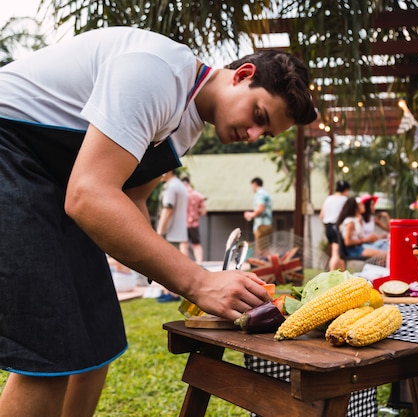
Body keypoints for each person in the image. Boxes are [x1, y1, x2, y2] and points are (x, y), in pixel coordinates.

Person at [0, 26, 317, 417]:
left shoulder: (187, 123)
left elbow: (131, 200)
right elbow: (88, 196)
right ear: (242, 74)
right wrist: (197, 282)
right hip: (10, 153)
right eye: (258, 116)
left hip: (56, 183)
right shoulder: (158, 73)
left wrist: (193, 279)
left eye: (264, 133)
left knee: (98, 342)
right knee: (51, 351)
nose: (253, 134)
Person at [154, 169, 188, 302]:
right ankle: (171, 291)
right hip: (178, 231)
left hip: (171, 231)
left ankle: (171, 292)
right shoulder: (179, 184)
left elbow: (168, 209)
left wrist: (159, 232)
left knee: (168, 264)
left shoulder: (171, 186)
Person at [320, 180, 351, 271]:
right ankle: (334, 275)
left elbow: (321, 215)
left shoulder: (329, 199)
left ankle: (339, 275)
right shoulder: (345, 200)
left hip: (328, 227)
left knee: (337, 253)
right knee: (337, 254)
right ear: (346, 190)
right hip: (337, 228)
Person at [180, 176, 207, 264]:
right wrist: (196, 212)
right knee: (196, 244)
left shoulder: (181, 195)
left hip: (183, 224)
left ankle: (186, 263)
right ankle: (199, 263)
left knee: (184, 244)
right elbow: (203, 212)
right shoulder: (198, 195)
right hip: (194, 224)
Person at [244, 177, 273, 256]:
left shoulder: (260, 194)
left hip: (262, 225)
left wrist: (250, 214)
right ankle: (269, 265)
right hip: (266, 224)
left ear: (255, 184)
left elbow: (260, 209)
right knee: (264, 248)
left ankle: (263, 266)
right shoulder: (265, 193)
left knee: (260, 249)